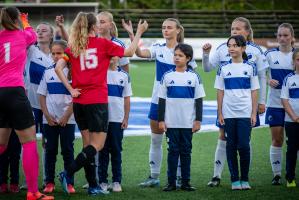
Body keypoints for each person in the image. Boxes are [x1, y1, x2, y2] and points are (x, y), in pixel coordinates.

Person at [55, 12, 147, 195]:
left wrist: (71, 89)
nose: (99, 26)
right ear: (92, 27)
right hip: (96, 101)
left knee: (88, 145)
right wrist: (139, 32)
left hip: (79, 100)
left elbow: (58, 68)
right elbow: (129, 52)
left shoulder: (73, 46)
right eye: (97, 23)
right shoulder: (103, 44)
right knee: (98, 145)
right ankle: (67, 172)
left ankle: (94, 186)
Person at [123, 18, 197, 187]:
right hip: (158, 101)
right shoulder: (158, 48)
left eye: (169, 27)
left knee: (178, 143)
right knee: (156, 139)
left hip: (179, 104)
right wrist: (134, 32)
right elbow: (140, 53)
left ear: (178, 30)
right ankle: (154, 177)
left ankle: (179, 177)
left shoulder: (185, 52)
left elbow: (191, 81)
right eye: (163, 27)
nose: (165, 30)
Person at [202, 17, 268, 187]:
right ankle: (217, 176)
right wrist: (206, 54)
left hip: (246, 106)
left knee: (244, 141)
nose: (235, 32)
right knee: (223, 137)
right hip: (228, 106)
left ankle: (244, 177)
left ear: (247, 32)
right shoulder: (223, 48)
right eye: (232, 29)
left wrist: (261, 102)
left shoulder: (256, 51)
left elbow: (261, 77)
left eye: (238, 29)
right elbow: (208, 68)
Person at [0, 7, 54, 200]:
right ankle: (33, 192)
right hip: (15, 91)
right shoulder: (23, 35)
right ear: (16, 19)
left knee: (1, 144)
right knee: (29, 142)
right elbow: (31, 33)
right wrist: (25, 20)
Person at [214, 35, 259, 190]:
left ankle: (245, 179)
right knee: (231, 146)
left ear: (243, 48)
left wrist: (254, 113)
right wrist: (220, 113)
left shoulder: (251, 67)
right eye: (229, 45)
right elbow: (220, 91)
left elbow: (254, 91)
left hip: (245, 113)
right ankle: (235, 180)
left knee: (244, 146)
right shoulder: (223, 68)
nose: (232, 48)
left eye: (235, 45)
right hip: (228, 113)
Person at [158, 43, 205, 191]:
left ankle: (185, 182)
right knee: (172, 152)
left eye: (180, 56)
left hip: (187, 123)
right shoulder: (167, 76)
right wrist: (161, 120)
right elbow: (162, 100)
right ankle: (171, 183)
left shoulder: (194, 77)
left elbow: (199, 100)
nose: (177, 58)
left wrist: (198, 120)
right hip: (171, 123)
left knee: (185, 152)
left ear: (188, 58)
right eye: (175, 55)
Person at [37, 40, 76, 194]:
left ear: (66, 53)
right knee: (50, 150)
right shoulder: (47, 71)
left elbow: (76, 98)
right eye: (53, 53)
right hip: (50, 120)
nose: (55, 56)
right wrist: (47, 115)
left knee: (68, 150)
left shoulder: (74, 71)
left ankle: (69, 182)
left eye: (58, 53)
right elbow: (41, 95)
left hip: (68, 119)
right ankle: (49, 182)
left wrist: (66, 116)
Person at [264, 23, 296, 185]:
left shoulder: (296, 56)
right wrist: (269, 80)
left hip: (294, 105)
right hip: (275, 104)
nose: (282, 38)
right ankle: (276, 175)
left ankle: (291, 174)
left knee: (295, 141)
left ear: (292, 38)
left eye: (286, 35)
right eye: (280, 35)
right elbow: (260, 74)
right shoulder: (269, 55)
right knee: (277, 139)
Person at [98, 56, 132, 192]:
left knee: (116, 150)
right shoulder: (100, 73)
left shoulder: (124, 75)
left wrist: (126, 118)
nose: (111, 58)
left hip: (117, 119)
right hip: (101, 118)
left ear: (119, 57)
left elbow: (127, 98)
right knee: (103, 150)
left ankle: (117, 181)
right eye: (108, 55)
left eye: (114, 55)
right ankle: (103, 181)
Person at [281, 48, 299, 187]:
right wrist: (294, 117)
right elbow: (285, 100)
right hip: (291, 121)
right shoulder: (288, 79)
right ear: (293, 62)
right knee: (292, 149)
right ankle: (290, 177)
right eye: (298, 59)